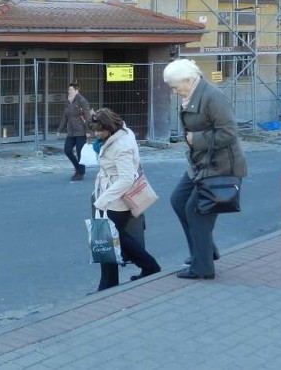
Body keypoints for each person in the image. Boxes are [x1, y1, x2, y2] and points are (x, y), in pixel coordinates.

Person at [163, 59, 247, 280]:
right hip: (200, 163)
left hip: (221, 165)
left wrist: (196, 138)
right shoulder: (192, 94)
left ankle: (203, 267)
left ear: (189, 80)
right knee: (178, 200)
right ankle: (204, 251)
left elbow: (229, 132)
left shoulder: (213, 96)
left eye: (174, 86)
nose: (173, 91)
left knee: (196, 210)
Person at [90, 108, 161, 291]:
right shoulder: (119, 133)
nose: (96, 134)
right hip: (111, 194)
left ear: (110, 127)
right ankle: (148, 267)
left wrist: (103, 200)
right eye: (95, 130)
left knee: (107, 239)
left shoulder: (121, 146)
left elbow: (126, 179)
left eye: (100, 130)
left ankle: (109, 284)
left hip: (117, 199)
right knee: (117, 239)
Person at [57, 82, 91, 181]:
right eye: (69, 90)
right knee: (67, 150)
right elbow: (65, 116)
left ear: (76, 90)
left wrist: (88, 131)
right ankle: (78, 168)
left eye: (71, 90)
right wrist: (59, 129)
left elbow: (88, 117)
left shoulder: (82, 101)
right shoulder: (68, 101)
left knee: (80, 153)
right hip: (71, 132)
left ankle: (80, 173)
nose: (69, 91)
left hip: (81, 131)